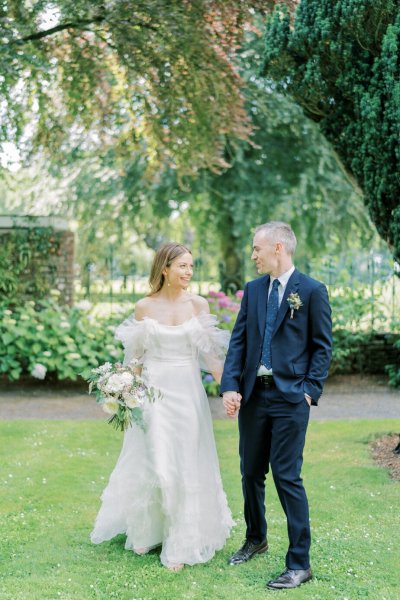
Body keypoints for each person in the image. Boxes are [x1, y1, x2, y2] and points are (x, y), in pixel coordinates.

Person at [91, 243, 233, 571]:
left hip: (187, 393)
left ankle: (181, 540)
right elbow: (136, 359)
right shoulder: (144, 307)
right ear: (165, 268)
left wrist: (229, 389)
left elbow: (211, 357)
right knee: (157, 457)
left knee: (184, 459)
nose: (188, 273)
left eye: (191, 267)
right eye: (182, 266)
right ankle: (148, 529)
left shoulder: (198, 306)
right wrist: (124, 391)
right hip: (153, 392)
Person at [221, 221, 332, 590]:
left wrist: (309, 391)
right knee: (250, 471)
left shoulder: (312, 291)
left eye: (257, 248)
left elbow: (322, 345)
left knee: (287, 476)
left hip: (290, 398)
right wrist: (230, 387)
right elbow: (239, 342)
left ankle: (300, 563)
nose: (253, 255)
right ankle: (256, 538)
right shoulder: (253, 291)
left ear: (279, 248)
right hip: (254, 396)